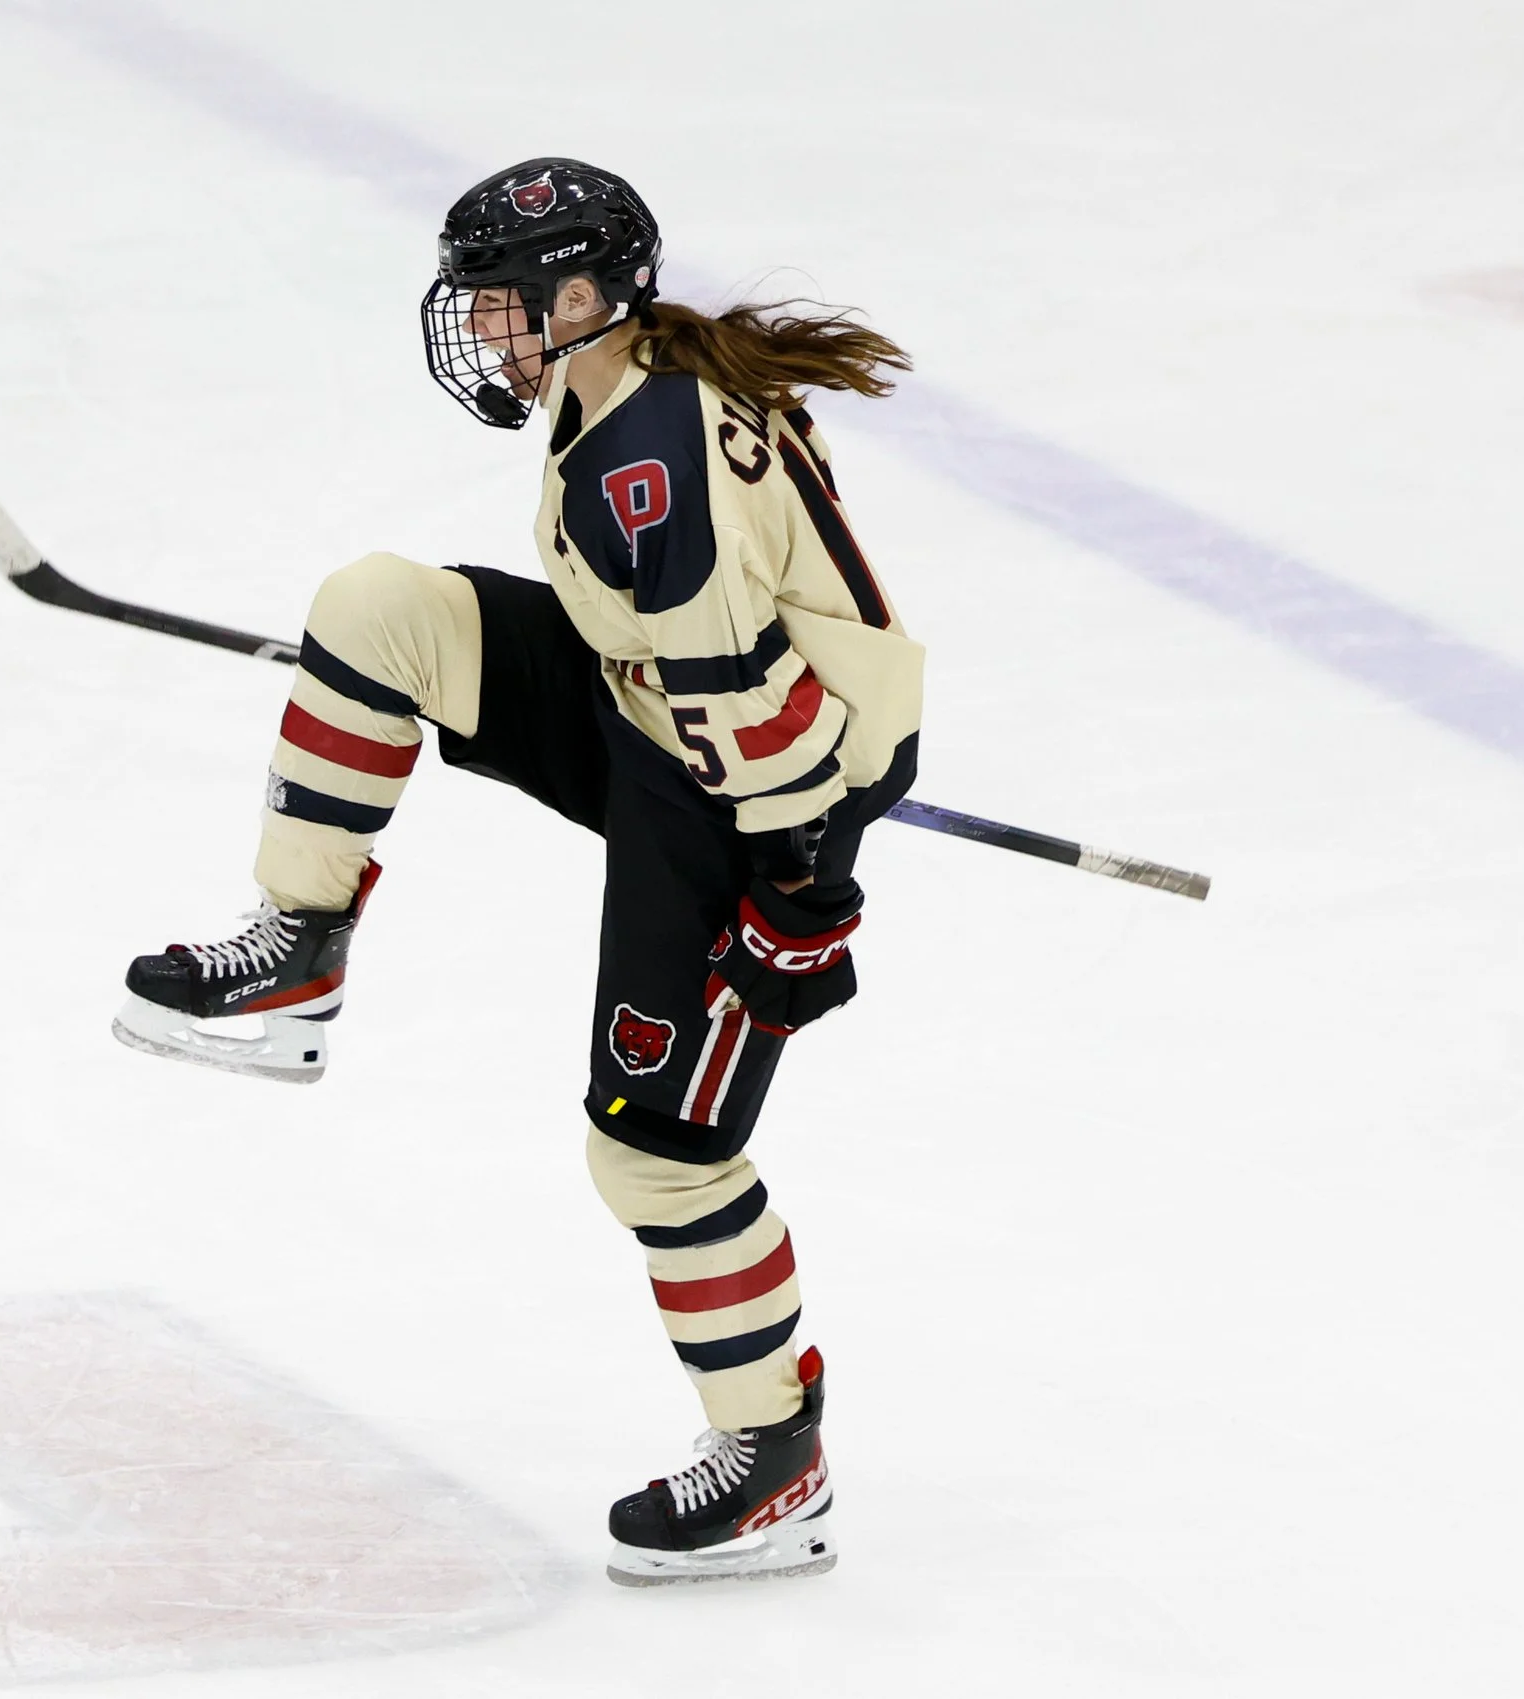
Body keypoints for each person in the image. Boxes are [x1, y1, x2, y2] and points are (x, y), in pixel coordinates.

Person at [113, 158, 924, 1586]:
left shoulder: (652, 463)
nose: (483, 334)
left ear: (587, 295)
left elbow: (763, 706)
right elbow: (687, 651)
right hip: (656, 705)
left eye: (502, 306)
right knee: (380, 614)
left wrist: (800, 890)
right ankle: (298, 950)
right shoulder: (628, 373)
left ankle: (774, 1464)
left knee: (659, 1153)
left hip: (755, 797)